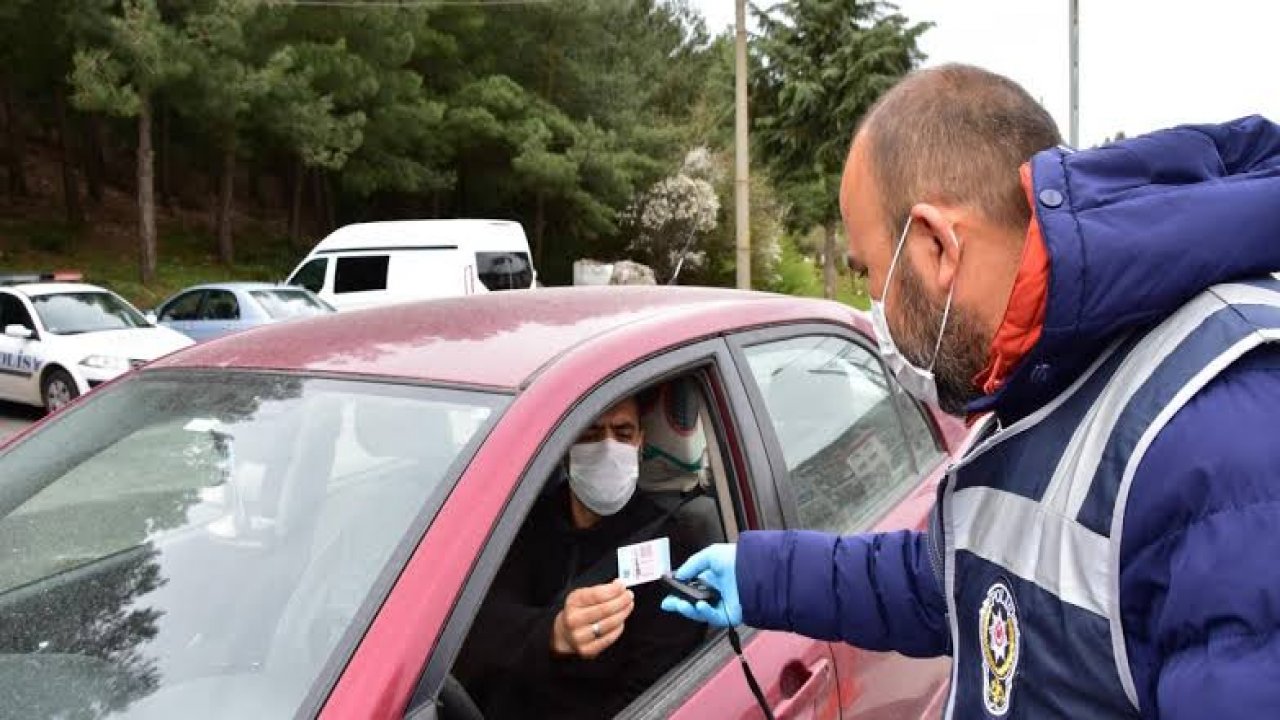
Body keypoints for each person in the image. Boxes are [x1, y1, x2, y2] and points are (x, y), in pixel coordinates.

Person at [663, 63, 1280, 718]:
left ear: (934, 247)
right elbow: (949, 582)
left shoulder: (1227, 436)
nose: (867, 301)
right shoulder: (1039, 378)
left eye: (868, 271)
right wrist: (763, 576)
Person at [455, 395, 704, 720]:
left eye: (623, 432)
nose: (607, 448)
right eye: (590, 433)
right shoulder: (522, 523)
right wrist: (552, 634)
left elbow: (657, 692)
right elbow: (474, 625)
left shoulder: (671, 545)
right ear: (566, 447)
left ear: (641, 442)